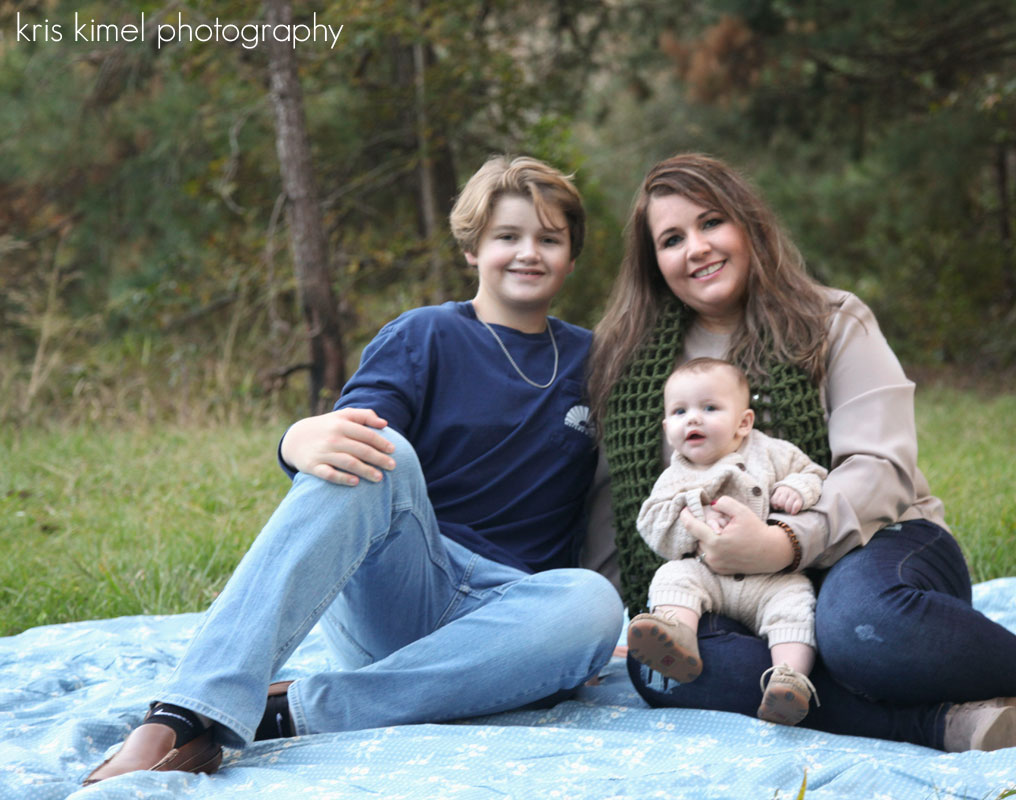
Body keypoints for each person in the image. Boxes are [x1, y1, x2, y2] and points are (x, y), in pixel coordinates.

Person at [587, 152, 1016, 752]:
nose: (695, 248)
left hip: (879, 544)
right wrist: (611, 612)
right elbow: (618, 504)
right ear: (654, 262)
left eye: (711, 222)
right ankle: (947, 724)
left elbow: (881, 467)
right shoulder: (637, 365)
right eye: (671, 239)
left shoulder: (829, 319)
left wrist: (783, 542)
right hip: (734, 586)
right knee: (663, 668)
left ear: (748, 225)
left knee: (855, 629)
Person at [84, 155, 624, 784]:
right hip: (403, 582)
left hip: (506, 622)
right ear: (473, 249)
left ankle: (289, 711)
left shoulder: (598, 360)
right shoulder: (424, 335)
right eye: (507, 236)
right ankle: (182, 715)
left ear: (571, 256)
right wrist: (293, 439)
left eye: (548, 239)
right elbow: (344, 451)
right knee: (382, 448)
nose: (527, 252)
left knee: (593, 603)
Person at [628, 357, 826, 726]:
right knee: (671, 577)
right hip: (709, 576)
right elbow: (652, 525)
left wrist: (796, 488)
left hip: (769, 577)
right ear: (667, 426)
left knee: (796, 602)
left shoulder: (770, 452)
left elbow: (813, 473)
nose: (693, 419)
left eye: (709, 408)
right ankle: (678, 639)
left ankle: (789, 680)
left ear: (743, 422)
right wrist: (694, 514)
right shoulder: (675, 476)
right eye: (680, 411)